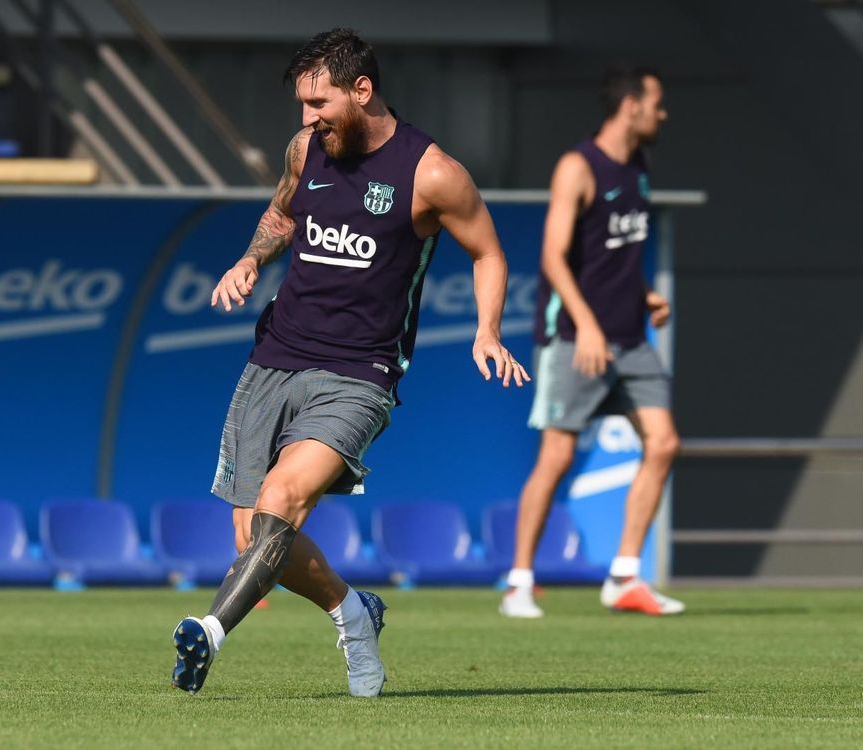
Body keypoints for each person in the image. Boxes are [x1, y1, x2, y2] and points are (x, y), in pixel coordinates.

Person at [170, 28, 530, 697]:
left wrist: (487, 330)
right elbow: (282, 214)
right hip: (275, 357)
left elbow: (489, 251)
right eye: (302, 104)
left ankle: (209, 632)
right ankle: (352, 611)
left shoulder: (432, 172)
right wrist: (250, 259)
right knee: (253, 536)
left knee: (282, 501)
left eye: (318, 102)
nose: (307, 118)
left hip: (360, 373)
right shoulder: (307, 150)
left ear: (362, 90)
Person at [499, 65, 683, 619]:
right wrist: (590, 326)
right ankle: (519, 585)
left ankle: (625, 577)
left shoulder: (639, 167)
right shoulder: (578, 166)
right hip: (575, 338)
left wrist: (647, 293)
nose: (662, 113)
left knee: (665, 443)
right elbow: (554, 257)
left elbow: (613, 258)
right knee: (556, 455)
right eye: (657, 103)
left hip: (630, 339)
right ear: (631, 106)